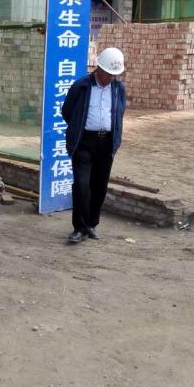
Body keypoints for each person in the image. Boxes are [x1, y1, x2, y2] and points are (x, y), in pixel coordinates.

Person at [61, 47, 126, 244]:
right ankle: (79, 228)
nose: (110, 78)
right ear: (99, 68)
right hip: (84, 142)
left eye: (114, 75)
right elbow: (67, 112)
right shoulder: (81, 86)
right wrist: (78, 130)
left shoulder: (118, 88)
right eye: (108, 73)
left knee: (99, 187)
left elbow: (119, 113)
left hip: (106, 143)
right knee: (81, 185)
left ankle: (91, 224)